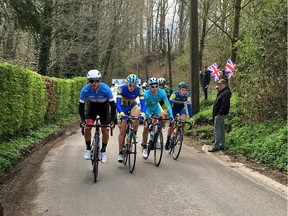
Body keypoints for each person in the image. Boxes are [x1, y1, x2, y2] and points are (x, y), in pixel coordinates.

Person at [79, 69, 117, 163]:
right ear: (88, 81)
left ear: (100, 80)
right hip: (92, 108)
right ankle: (88, 149)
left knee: (105, 130)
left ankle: (103, 151)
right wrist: (83, 120)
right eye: (91, 81)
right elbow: (81, 106)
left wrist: (113, 120)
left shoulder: (106, 89)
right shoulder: (85, 90)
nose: (94, 83)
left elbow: (113, 106)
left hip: (104, 108)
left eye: (96, 80)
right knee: (87, 127)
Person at [116, 74, 146, 163]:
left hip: (133, 106)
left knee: (136, 116)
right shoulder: (121, 89)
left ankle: (134, 133)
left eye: (134, 85)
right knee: (122, 131)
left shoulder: (139, 90)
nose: (132, 87)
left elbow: (143, 103)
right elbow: (117, 103)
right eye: (130, 85)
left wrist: (143, 113)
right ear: (126, 83)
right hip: (122, 107)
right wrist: (121, 113)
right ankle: (120, 152)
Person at [141, 77, 174, 158]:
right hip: (147, 108)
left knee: (163, 117)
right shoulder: (145, 94)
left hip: (156, 107)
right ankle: (144, 145)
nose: (155, 88)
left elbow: (167, 104)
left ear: (158, 86)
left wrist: (171, 115)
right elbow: (143, 106)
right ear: (149, 87)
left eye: (156, 86)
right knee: (146, 126)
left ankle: (157, 131)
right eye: (152, 87)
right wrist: (147, 116)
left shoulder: (162, 92)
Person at [165, 82, 194, 150]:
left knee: (183, 121)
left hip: (181, 108)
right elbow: (169, 104)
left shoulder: (187, 96)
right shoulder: (174, 94)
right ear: (179, 90)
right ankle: (168, 140)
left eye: (185, 90)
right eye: (182, 90)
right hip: (173, 109)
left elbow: (189, 107)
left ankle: (179, 133)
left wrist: (191, 117)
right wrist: (170, 115)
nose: (184, 92)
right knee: (172, 125)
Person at [208, 79, 232, 152]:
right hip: (219, 113)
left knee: (217, 129)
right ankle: (221, 145)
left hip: (220, 114)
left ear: (223, 85)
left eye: (219, 85)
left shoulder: (226, 93)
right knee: (221, 129)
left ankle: (217, 145)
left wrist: (220, 113)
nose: (218, 86)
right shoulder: (222, 92)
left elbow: (225, 104)